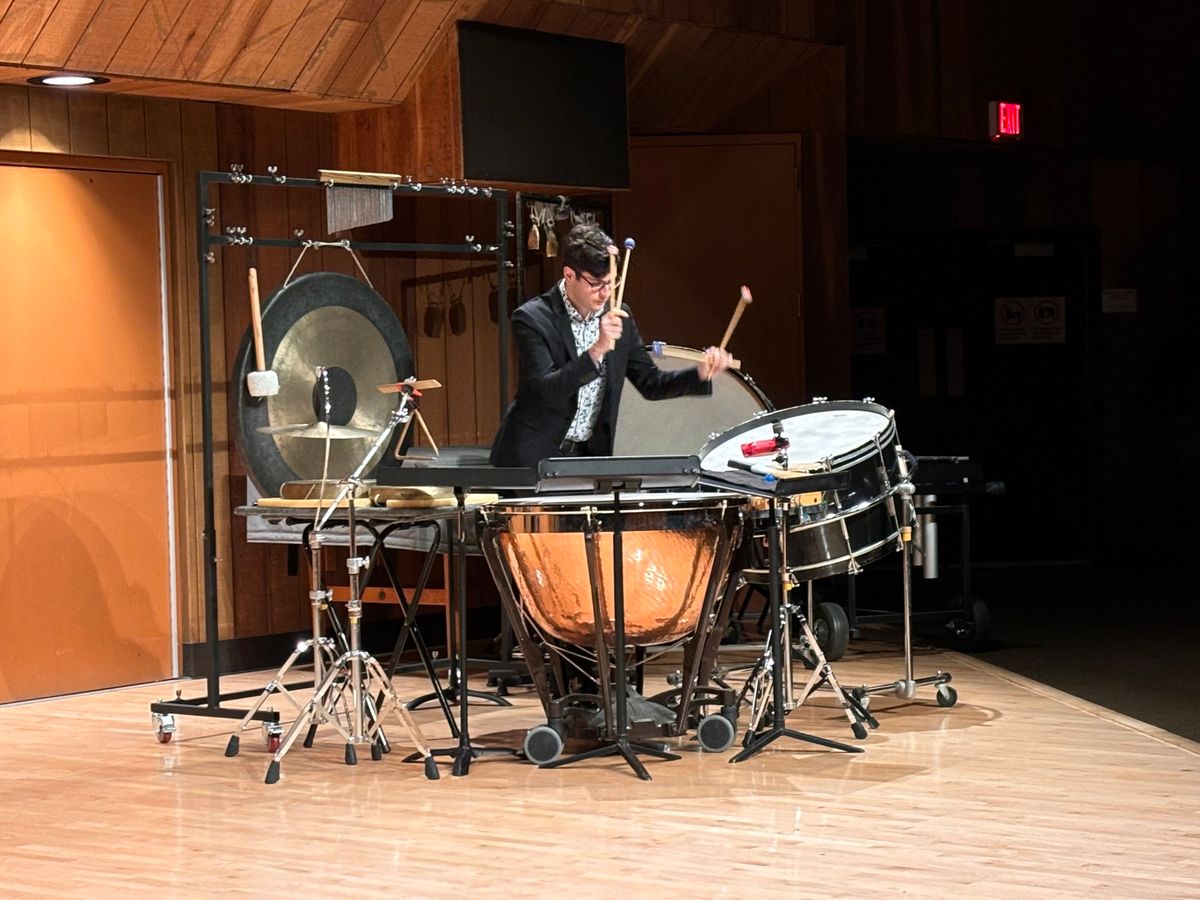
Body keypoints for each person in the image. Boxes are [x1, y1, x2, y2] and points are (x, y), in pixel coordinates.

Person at [490, 224, 733, 468]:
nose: (605, 292)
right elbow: (544, 392)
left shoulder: (619, 316)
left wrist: (700, 373)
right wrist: (597, 350)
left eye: (611, 282)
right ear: (569, 275)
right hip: (532, 457)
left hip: (586, 457)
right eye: (596, 283)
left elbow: (651, 383)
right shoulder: (532, 318)